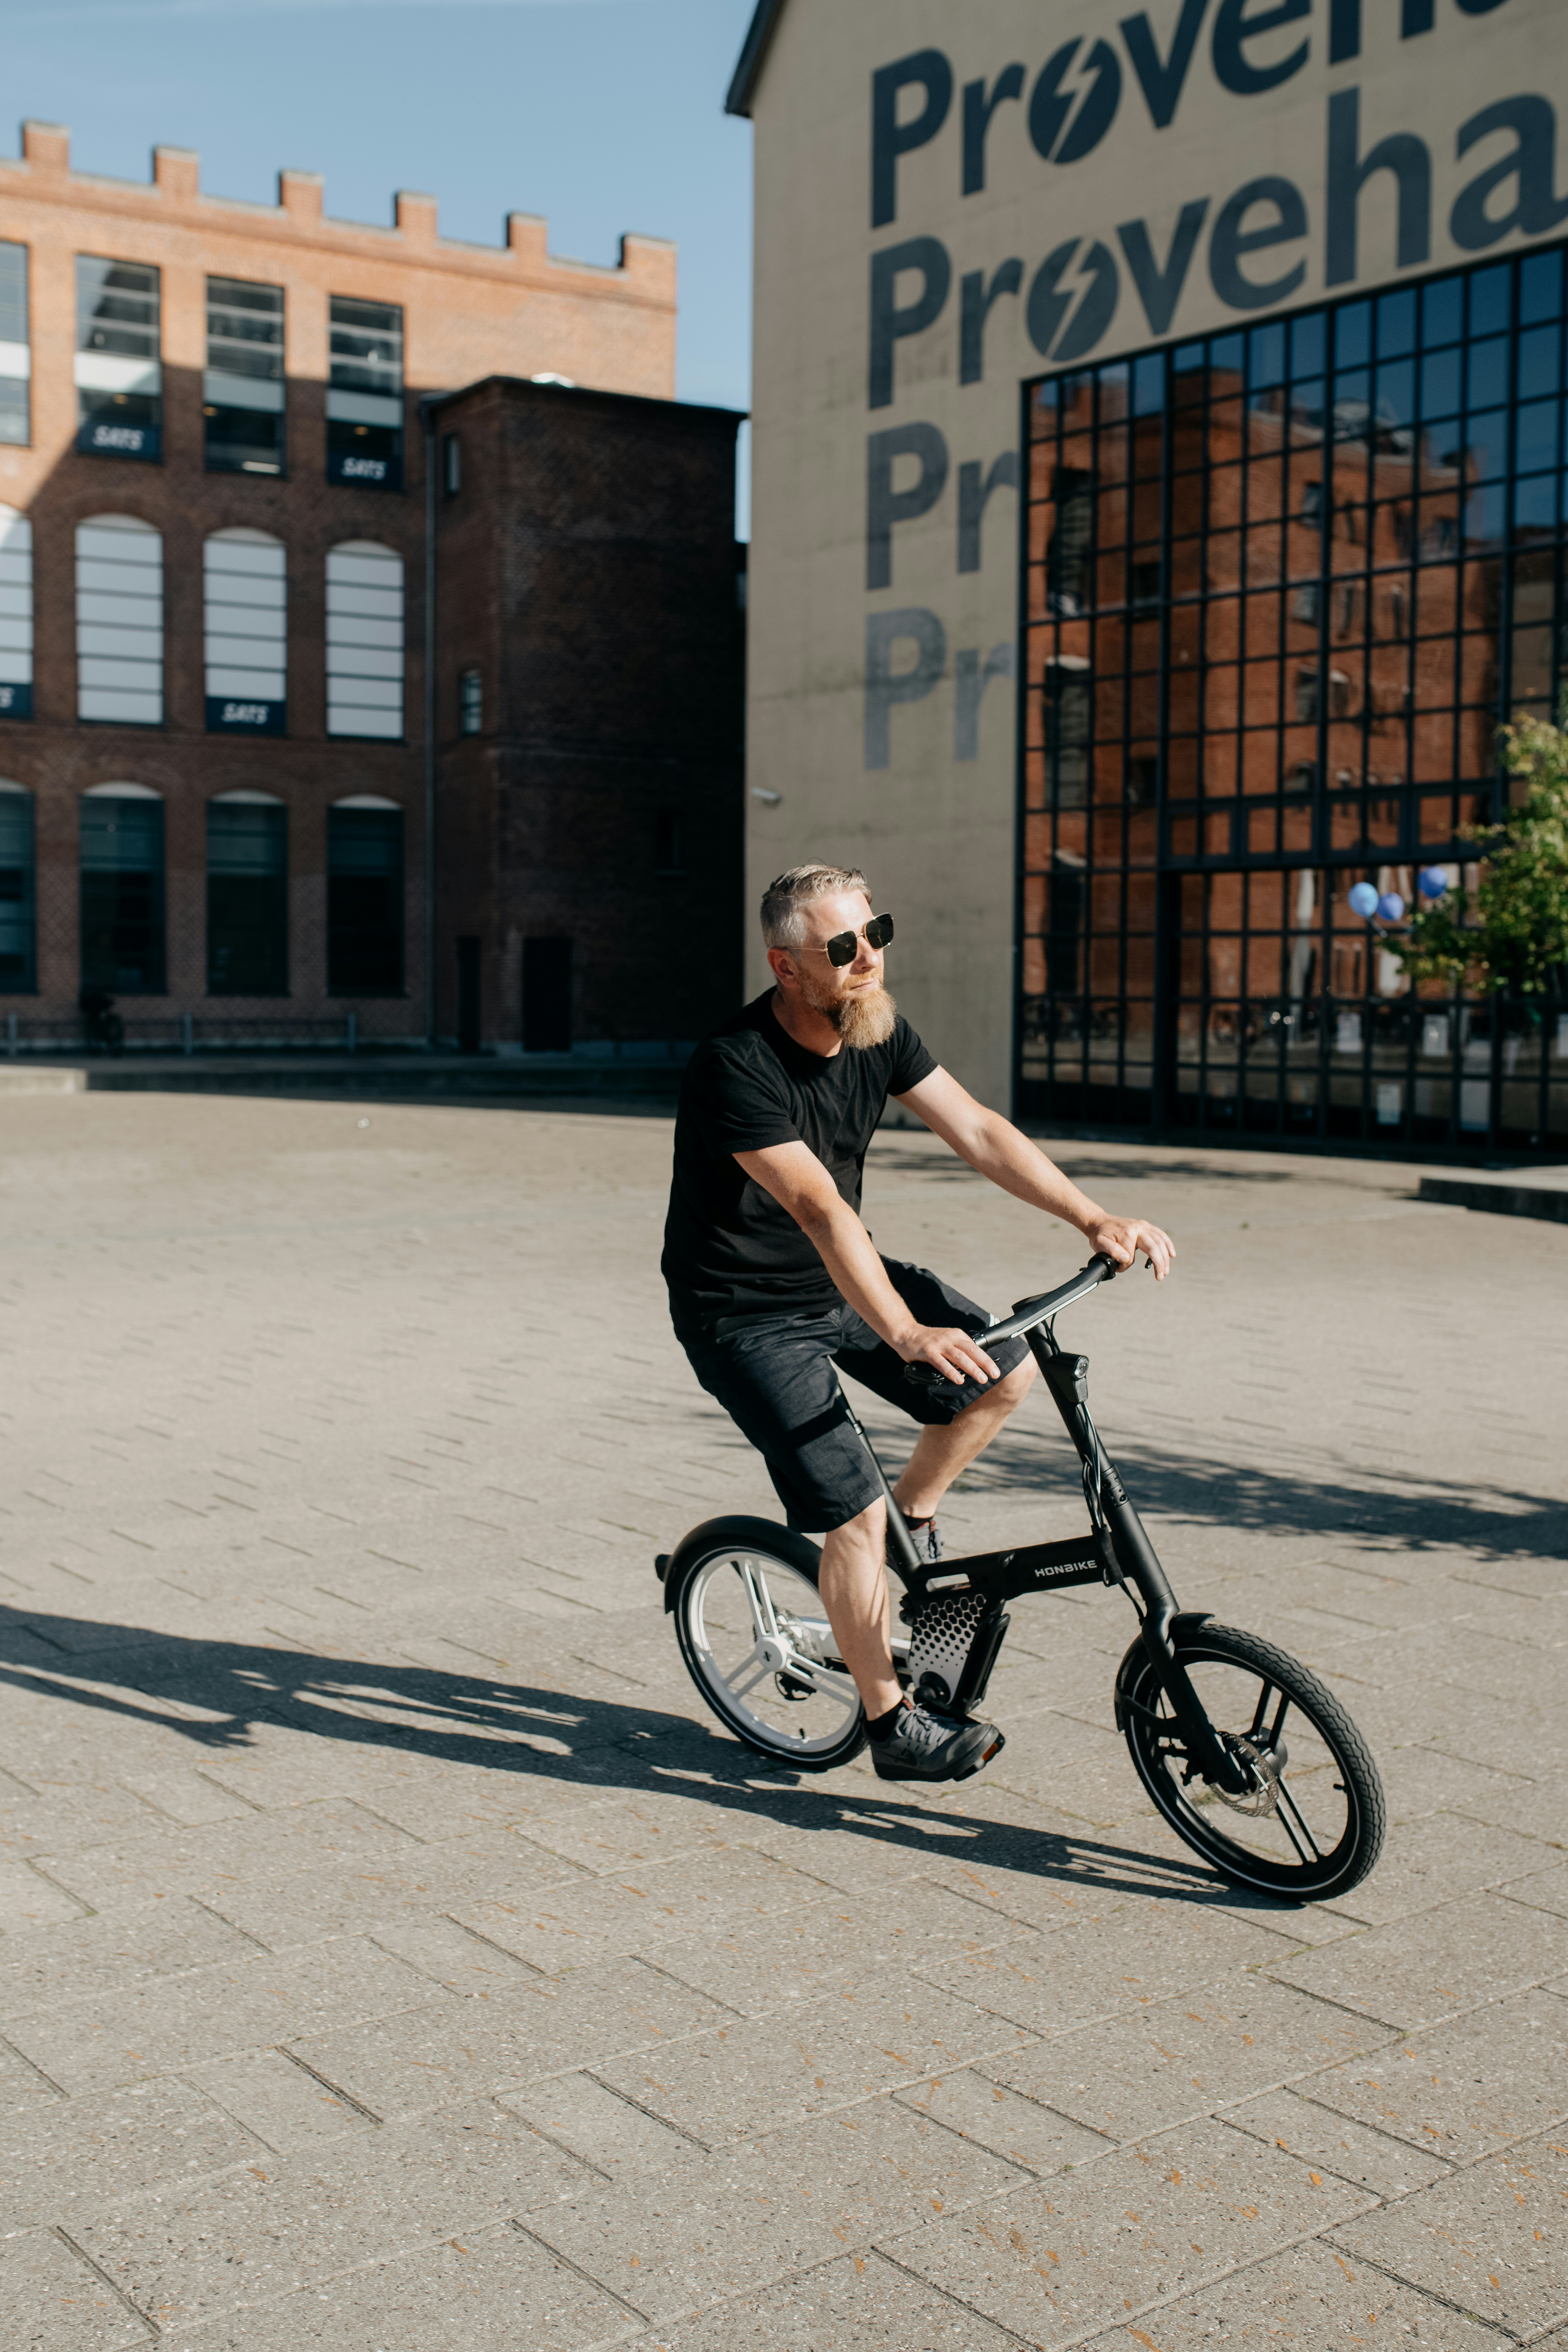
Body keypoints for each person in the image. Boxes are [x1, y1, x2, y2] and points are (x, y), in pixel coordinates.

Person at [662, 862, 1174, 1785]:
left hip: (837, 1279)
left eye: (878, 933)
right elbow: (819, 1207)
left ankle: (918, 1517)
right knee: (852, 1517)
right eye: (844, 946)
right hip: (743, 1313)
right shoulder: (733, 1064)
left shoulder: (876, 1027)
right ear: (786, 966)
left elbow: (976, 1130)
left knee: (1003, 1372)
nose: (869, 957)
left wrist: (1091, 1216)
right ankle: (892, 1724)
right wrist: (905, 1333)